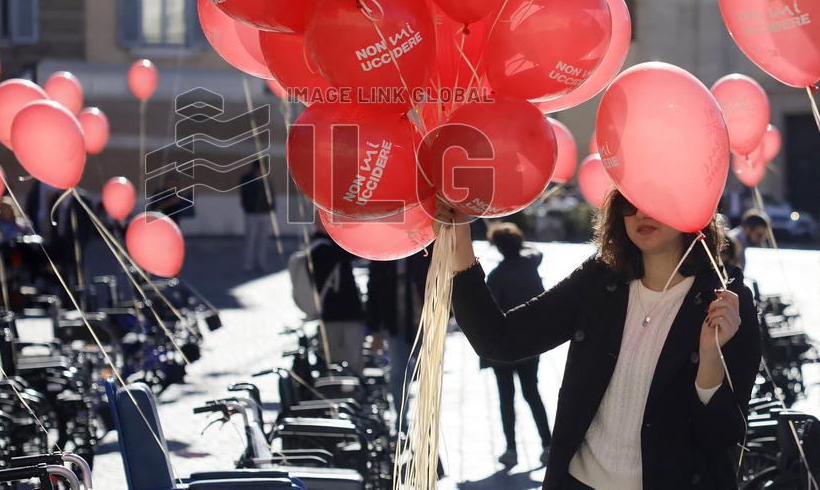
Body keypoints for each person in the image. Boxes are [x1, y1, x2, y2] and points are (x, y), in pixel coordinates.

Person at [439, 190, 761, 490]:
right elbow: (501, 339)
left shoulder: (726, 301)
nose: (642, 212)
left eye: (656, 198)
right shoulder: (600, 278)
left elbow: (721, 438)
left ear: (688, 203)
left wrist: (709, 359)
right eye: (630, 200)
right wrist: (460, 244)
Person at [483, 223, 553, 468]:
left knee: (506, 398)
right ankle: (547, 444)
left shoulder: (496, 276)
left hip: (504, 347)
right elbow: (535, 251)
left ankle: (511, 449)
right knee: (532, 393)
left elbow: (490, 315)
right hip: (531, 343)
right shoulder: (530, 264)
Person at [366, 249, 430, 431]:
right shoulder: (382, 254)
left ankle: (428, 420)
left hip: (425, 323)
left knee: (428, 372)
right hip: (395, 324)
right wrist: (375, 331)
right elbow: (373, 291)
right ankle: (401, 418)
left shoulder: (424, 249)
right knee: (398, 374)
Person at [308, 220, 366, 374]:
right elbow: (351, 252)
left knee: (350, 361)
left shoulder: (328, 245)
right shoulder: (320, 247)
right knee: (338, 364)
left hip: (343, 314)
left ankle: (352, 386)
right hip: (333, 315)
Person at [240, 161, 274, 274]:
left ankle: (261, 263)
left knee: (263, 240)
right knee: (251, 240)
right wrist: (248, 207)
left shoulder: (266, 179)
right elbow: (245, 195)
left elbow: (271, 195)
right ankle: (248, 264)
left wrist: (272, 208)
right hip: (252, 214)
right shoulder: (246, 179)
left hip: (265, 213)